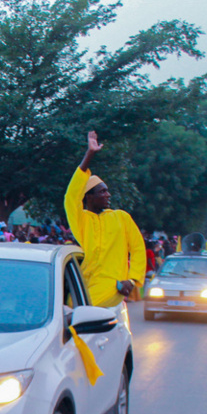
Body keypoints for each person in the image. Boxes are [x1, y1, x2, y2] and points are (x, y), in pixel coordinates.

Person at [64, 131, 146, 307]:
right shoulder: (81, 220)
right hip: (83, 284)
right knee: (70, 314)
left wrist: (132, 280)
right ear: (89, 197)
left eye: (107, 190)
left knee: (82, 315)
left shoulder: (121, 217)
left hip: (110, 288)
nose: (108, 195)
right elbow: (71, 197)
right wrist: (89, 155)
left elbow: (138, 248)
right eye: (102, 191)